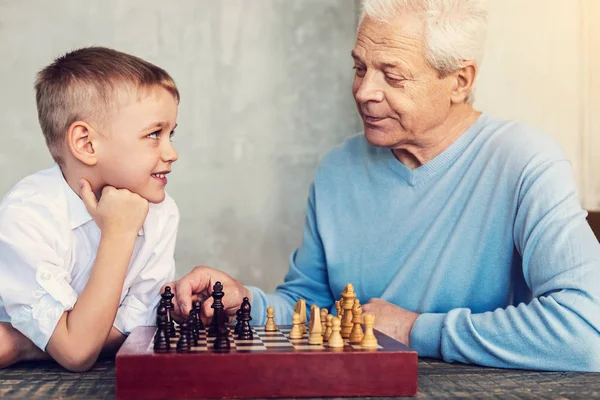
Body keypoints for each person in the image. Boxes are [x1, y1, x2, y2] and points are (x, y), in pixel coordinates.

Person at [170, 0, 600, 371]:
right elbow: (313, 306)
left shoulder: (526, 161)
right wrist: (246, 301)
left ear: (460, 81)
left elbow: (585, 331)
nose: (364, 92)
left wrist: (415, 329)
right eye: (360, 68)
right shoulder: (338, 169)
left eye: (392, 76)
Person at [0, 47, 180, 371]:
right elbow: (77, 354)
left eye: (171, 133)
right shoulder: (27, 214)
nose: (172, 152)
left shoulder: (161, 212)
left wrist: (20, 343)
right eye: (154, 134)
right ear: (86, 144)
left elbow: (133, 332)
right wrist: (119, 233)